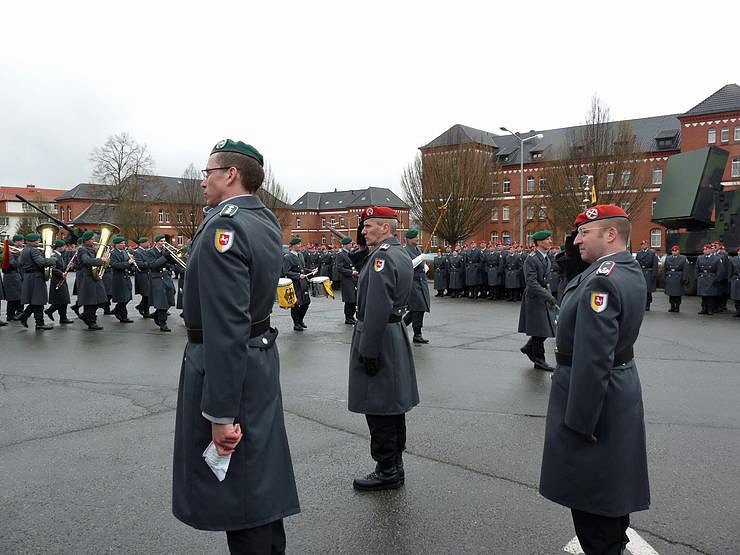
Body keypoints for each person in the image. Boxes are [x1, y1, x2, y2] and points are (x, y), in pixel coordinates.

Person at [173, 139, 299, 554]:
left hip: (230, 364)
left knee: (239, 486)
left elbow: (226, 326)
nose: (202, 181)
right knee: (258, 475)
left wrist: (220, 413)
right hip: (256, 357)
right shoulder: (261, 219)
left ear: (230, 174)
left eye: (208, 172)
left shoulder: (224, 228)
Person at [540, 205, 649, 555]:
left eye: (585, 233)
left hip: (595, 396)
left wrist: (580, 421)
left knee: (592, 501)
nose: (576, 240)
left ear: (611, 234)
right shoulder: (624, 268)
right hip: (618, 385)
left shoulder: (601, 280)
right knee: (611, 490)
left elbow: (593, 358)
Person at [348, 206, 418, 490]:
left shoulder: (382, 258)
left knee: (378, 406)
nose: (363, 232)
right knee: (392, 405)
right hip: (392, 333)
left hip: (378, 335)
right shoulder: (398, 253)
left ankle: (387, 469)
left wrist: (368, 350)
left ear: (385, 228)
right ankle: (394, 465)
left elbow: (376, 307)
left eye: (368, 227)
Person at [517, 230, 557, 371]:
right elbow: (531, 282)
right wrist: (548, 296)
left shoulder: (546, 257)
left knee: (546, 328)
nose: (550, 241)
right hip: (535, 297)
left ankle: (529, 348)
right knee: (540, 330)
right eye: (547, 239)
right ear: (539, 242)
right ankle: (539, 360)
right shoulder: (531, 259)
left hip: (543, 296)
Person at [18, 232, 56, 330]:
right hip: (36, 277)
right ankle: (39, 323)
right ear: (32, 241)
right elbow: (41, 262)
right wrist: (52, 259)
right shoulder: (33, 251)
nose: (39, 242)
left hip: (29, 277)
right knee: (39, 301)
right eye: (37, 240)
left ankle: (24, 316)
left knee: (35, 301)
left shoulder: (24, 250)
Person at [76, 231, 110, 330]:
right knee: (90, 301)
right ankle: (91, 321)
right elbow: (86, 261)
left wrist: (100, 254)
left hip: (93, 277)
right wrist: (101, 260)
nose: (94, 241)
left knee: (99, 300)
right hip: (87, 278)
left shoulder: (90, 249)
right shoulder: (82, 250)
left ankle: (86, 316)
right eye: (92, 239)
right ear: (86, 241)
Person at [403, 229, 431, 344]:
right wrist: (421, 258)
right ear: (409, 239)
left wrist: (425, 266)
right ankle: (417, 334)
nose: (417, 239)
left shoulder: (418, 249)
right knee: (418, 308)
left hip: (421, 281)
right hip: (413, 282)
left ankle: (400, 327)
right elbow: (408, 265)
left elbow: (421, 265)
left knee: (418, 308)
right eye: (415, 237)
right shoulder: (405, 251)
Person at [147, 234, 176, 332]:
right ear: (156, 242)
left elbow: (170, 263)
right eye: (161, 241)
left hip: (166, 276)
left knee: (170, 296)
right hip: (157, 277)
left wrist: (172, 260)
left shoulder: (164, 251)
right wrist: (164, 257)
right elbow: (153, 265)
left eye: (164, 241)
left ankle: (157, 314)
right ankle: (163, 322)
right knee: (162, 299)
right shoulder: (150, 252)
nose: (163, 243)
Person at [282, 237, 311, 331]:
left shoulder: (300, 255)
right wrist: (298, 275)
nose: (300, 245)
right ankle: (296, 323)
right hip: (294, 283)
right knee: (295, 304)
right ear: (292, 246)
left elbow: (302, 268)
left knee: (306, 302)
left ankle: (300, 320)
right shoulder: (288, 257)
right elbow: (286, 271)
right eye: (298, 244)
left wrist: (311, 270)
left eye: (300, 244)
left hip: (303, 282)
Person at [46, 239, 74, 324]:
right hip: (56, 279)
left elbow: (62, 267)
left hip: (61, 278)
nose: (65, 248)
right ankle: (51, 311)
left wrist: (69, 267)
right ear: (59, 247)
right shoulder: (54, 255)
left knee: (63, 299)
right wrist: (61, 273)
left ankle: (62, 317)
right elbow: (52, 268)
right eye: (64, 246)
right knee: (62, 299)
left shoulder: (60, 255)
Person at [109, 236, 135, 323]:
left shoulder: (124, 252)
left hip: (126, 277)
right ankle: (123, 316)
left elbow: (128, 263)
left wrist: (132, 264)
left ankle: (116, 310)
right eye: (121, 243)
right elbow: (115, 265)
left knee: (127, 297)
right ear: (116, 244)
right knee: (123, 298)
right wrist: (128, 263)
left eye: (124, 243)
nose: (123, 245)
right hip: (118, 278)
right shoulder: (113, 253)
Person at [2, 234, 25, 320]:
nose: (21, 243)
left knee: (17, 297)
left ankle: (13, 314)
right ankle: (10, 315)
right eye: (19, 241)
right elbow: (13, 264)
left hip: (16, 275)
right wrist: (19, 255)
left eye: (22, 241)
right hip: (11, 276)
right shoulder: (9, 251)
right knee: (13, 297)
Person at [336, 236, 358, 324]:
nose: (351, 245)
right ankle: (348, 317)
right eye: (350, 244)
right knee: (349, 299)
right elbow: (339, 268)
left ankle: (351, 316)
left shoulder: (351, 253)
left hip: (354, 278)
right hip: (347, 279)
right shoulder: (340, 255)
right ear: (346, 245)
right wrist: (351, 272)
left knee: (354, 298)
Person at [696, 244, 721, 315]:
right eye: (704, 250)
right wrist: (698, 277)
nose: (705, 251)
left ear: (710, 250)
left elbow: (719, 270)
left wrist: (716, 279)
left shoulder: (716, 259)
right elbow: (697, 269)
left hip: (711, 279)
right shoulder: (700, 258)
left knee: (710, 296)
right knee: (703, 296)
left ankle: (710, 309)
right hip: (702, 278)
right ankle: (704, 309)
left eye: (706, 249)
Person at [663, 245, 689, 313]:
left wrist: (684, 278)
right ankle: (672, 307)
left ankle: (677, 307)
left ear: (678, 251)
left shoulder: (683, 258)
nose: (674, 252)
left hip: (678, 277)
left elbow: (685, 269)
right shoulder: (668, 258)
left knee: (678, 294)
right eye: (673, 251)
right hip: (670, 277)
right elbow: (665, 268)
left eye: (675, 251)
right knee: (671, 294)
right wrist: (664, 277)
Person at [132, 237, 153, 319]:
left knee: (148, 294)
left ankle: (142, 307)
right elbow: (140, 264)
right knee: (146, 294)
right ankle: (145, 310)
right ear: (142, 243)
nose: (148, 244)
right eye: (147, 242)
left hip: (148, 274)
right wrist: (151, 263)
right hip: (142, 275)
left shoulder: (148, 251)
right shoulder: (137, 252)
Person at [635, 240, 658, 311]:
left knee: (648, 291)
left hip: (648, 273)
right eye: (642, 244)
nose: (643, 246)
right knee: (641, 291)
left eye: (644, 244)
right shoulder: (639, 253)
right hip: (641, 272)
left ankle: (647, 305)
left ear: (647, 245)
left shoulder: (652, 253)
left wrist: (654, 274)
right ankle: (642, 304)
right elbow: (636, 264)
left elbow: (655, 265)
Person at [729, 251, 740, 317]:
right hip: (736, 279)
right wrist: (730, 279)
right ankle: (738, 311)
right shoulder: (733, 259)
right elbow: (730, 270)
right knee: (736, 297)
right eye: (739, 251)